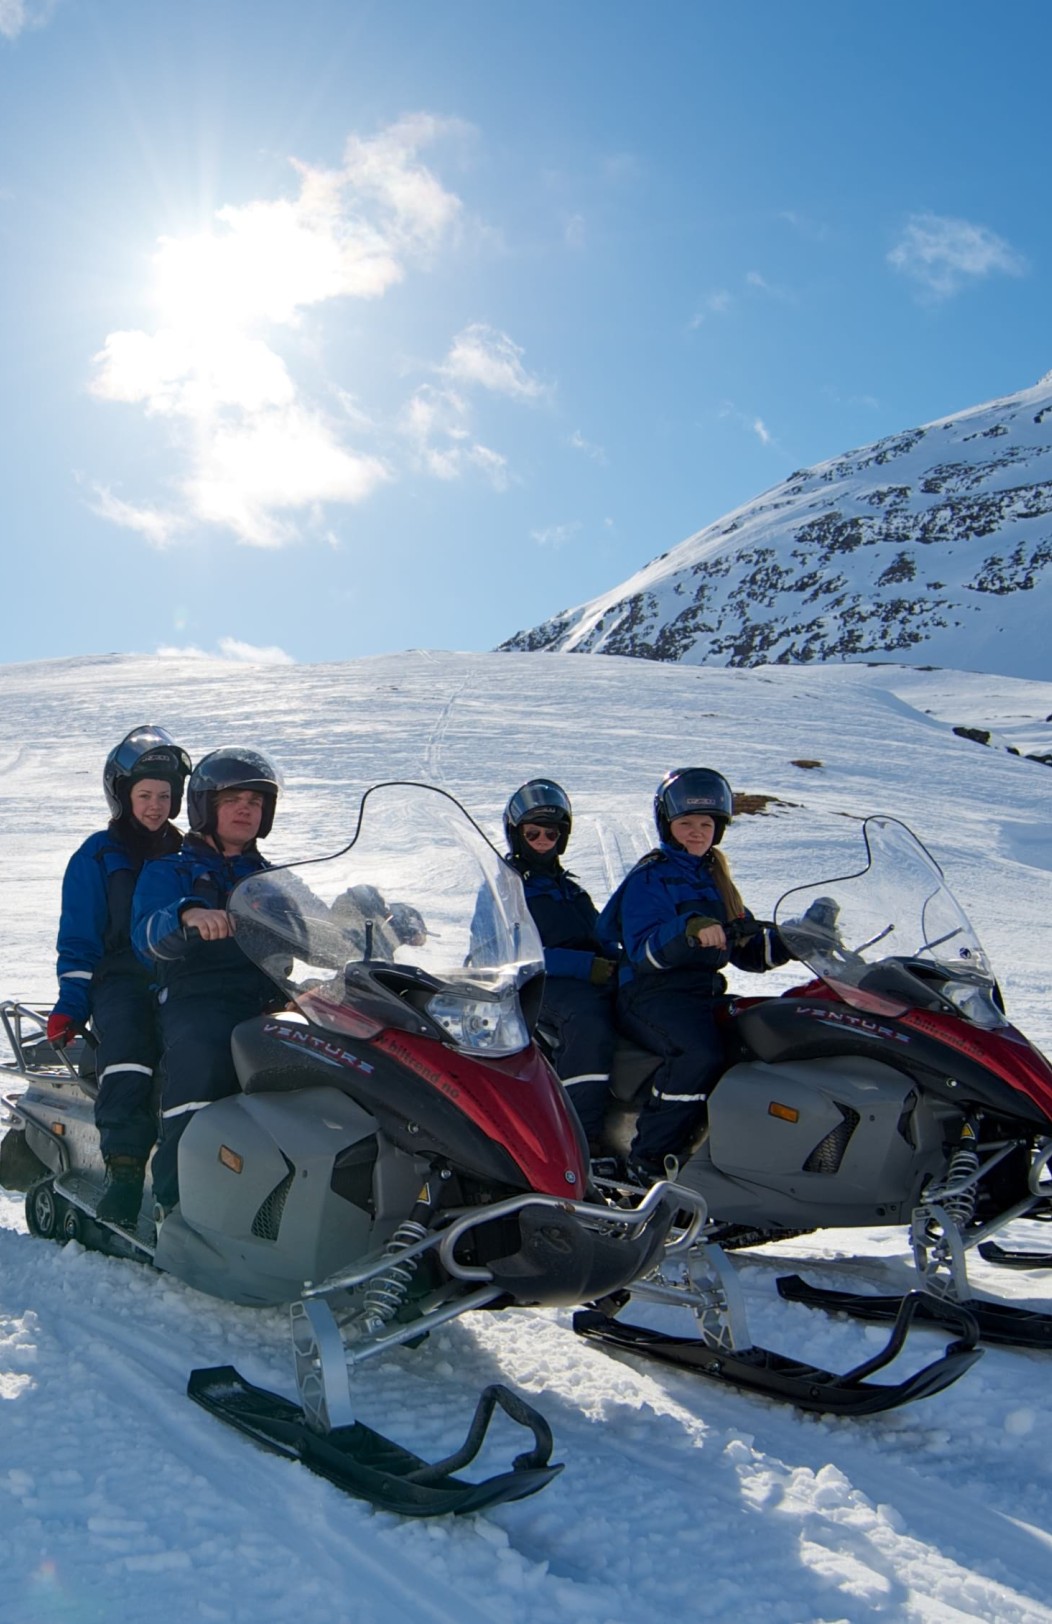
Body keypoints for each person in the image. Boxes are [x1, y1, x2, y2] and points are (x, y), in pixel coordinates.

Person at [597, 767, 792, 1180]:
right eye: (687, 823)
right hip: (651, 994)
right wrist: (687, 932)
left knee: (758, 1038)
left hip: (702, 992)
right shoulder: (651, 877)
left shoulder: (716, 880)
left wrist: (798, 938)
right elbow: (643, 950)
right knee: (696, 1054)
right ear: (668, 826)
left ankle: (729, 1157)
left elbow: (750, 953)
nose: (697, 832)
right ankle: (648, 1159)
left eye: (706, 824)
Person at [131, 745, 285, 1215]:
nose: (245, 809)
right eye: (232, 799)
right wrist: (187, 914)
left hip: (269, 999)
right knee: (203, 1054)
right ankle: (175, 1205)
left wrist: (366, 920)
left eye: (255, 802)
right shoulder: (170, 869)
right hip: (196, 998)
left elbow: (314, 931)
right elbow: (146, 935)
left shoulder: (272, 879)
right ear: (204, 808)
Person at [47, 726, 192, 1224]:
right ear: (123, 796)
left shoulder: (190, 854)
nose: (155, 806)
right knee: (130, 1048)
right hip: (120, 978)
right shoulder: (98, 853)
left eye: (165, 796)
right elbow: (80, 935)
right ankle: (126, 1170)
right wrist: (72, 1000)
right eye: (145, 795)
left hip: (182, 978)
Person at [500, 779, 619, 1149]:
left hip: (584, 980)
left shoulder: (572, 890)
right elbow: (511, 950)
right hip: (536, 984)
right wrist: (588, 967)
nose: (540, 840)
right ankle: (580, 1138)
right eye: (531, 832)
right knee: (588, 1023)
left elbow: (601, 936)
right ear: (516, 834)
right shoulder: (507, 886)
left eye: (549, 833)